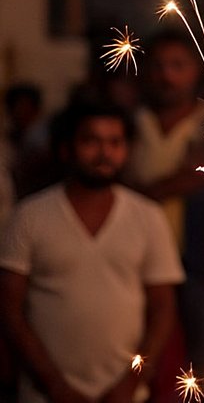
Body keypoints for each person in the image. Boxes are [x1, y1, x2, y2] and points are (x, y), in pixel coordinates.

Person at [0, 102, 183, 403]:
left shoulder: (147, 217)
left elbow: (163, 308)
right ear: (65, 149)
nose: (104, 153)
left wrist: (131, 382)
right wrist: (54, 384)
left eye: (115, 142)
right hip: (43, 394)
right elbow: (9, 308)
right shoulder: (29, 216)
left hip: (125, 394)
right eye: (91, 141)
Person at [125, 35, 204, 248]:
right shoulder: (131, 121)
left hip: (198, 252)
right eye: (158, 66)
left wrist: (139, 196)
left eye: (178, 65)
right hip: (136, 247)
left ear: (196, 69)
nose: (166, 75)